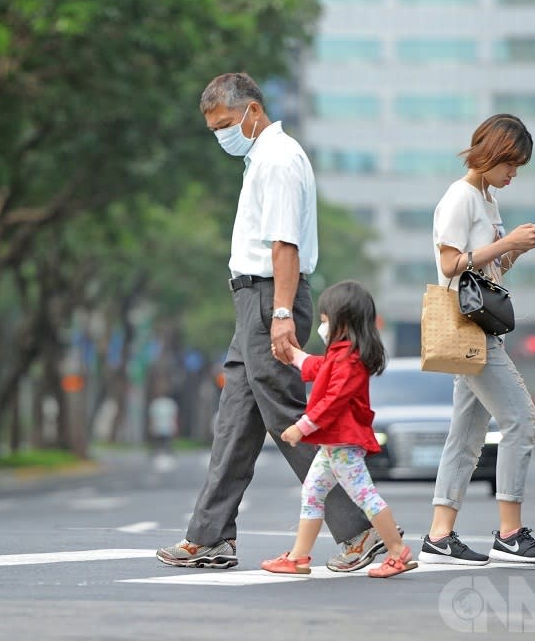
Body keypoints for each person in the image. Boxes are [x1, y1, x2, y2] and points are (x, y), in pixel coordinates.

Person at [156, 73, 383, 571]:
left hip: (268, 300)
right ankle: (210, 535)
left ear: (252, 112)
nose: (220, 135)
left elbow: (284, 245)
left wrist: (281, 313)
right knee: (235, 422)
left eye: (224, 124)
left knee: (289, 415)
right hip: (253, 303)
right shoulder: (261, 158)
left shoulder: (278, 160)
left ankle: (362, 530)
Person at [419, 113, 535, 566]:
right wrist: (506, 243)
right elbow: (449, 265)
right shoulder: (461, 197)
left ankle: (440, 536)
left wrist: (514, 249)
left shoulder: (487, 197)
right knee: (521, 420)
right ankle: (510, 532)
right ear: (492, 154)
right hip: (468, 327)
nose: (514, 173)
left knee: (466, 434)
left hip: (479, 326)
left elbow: (486, 273)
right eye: (511, 164)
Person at [260, 280, 416, 579]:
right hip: (334, 445)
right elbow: (318, 369)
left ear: (343, 321)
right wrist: (293, 355)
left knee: (365, 496)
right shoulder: (342, 354)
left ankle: (397, 551)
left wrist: (301, 428)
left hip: (343, 443)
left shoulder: (350, 360)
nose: (323, 326)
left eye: (325, 320)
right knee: (313, 492)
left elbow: (332, 401)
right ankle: (298, 557)